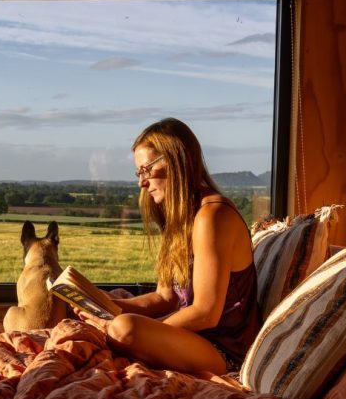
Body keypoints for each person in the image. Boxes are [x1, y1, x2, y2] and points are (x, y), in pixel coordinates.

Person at [77, 117, 260, 375]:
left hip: (223, 350)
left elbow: (205, 313)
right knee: (112, 319)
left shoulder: (213, 216)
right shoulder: (180, 221)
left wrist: (143, 328)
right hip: (189, 340)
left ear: (177, 161)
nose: (142, 182)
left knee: (124, 329)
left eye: (146, 170)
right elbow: (165, 297)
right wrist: (104, 304)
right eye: (139, 173)